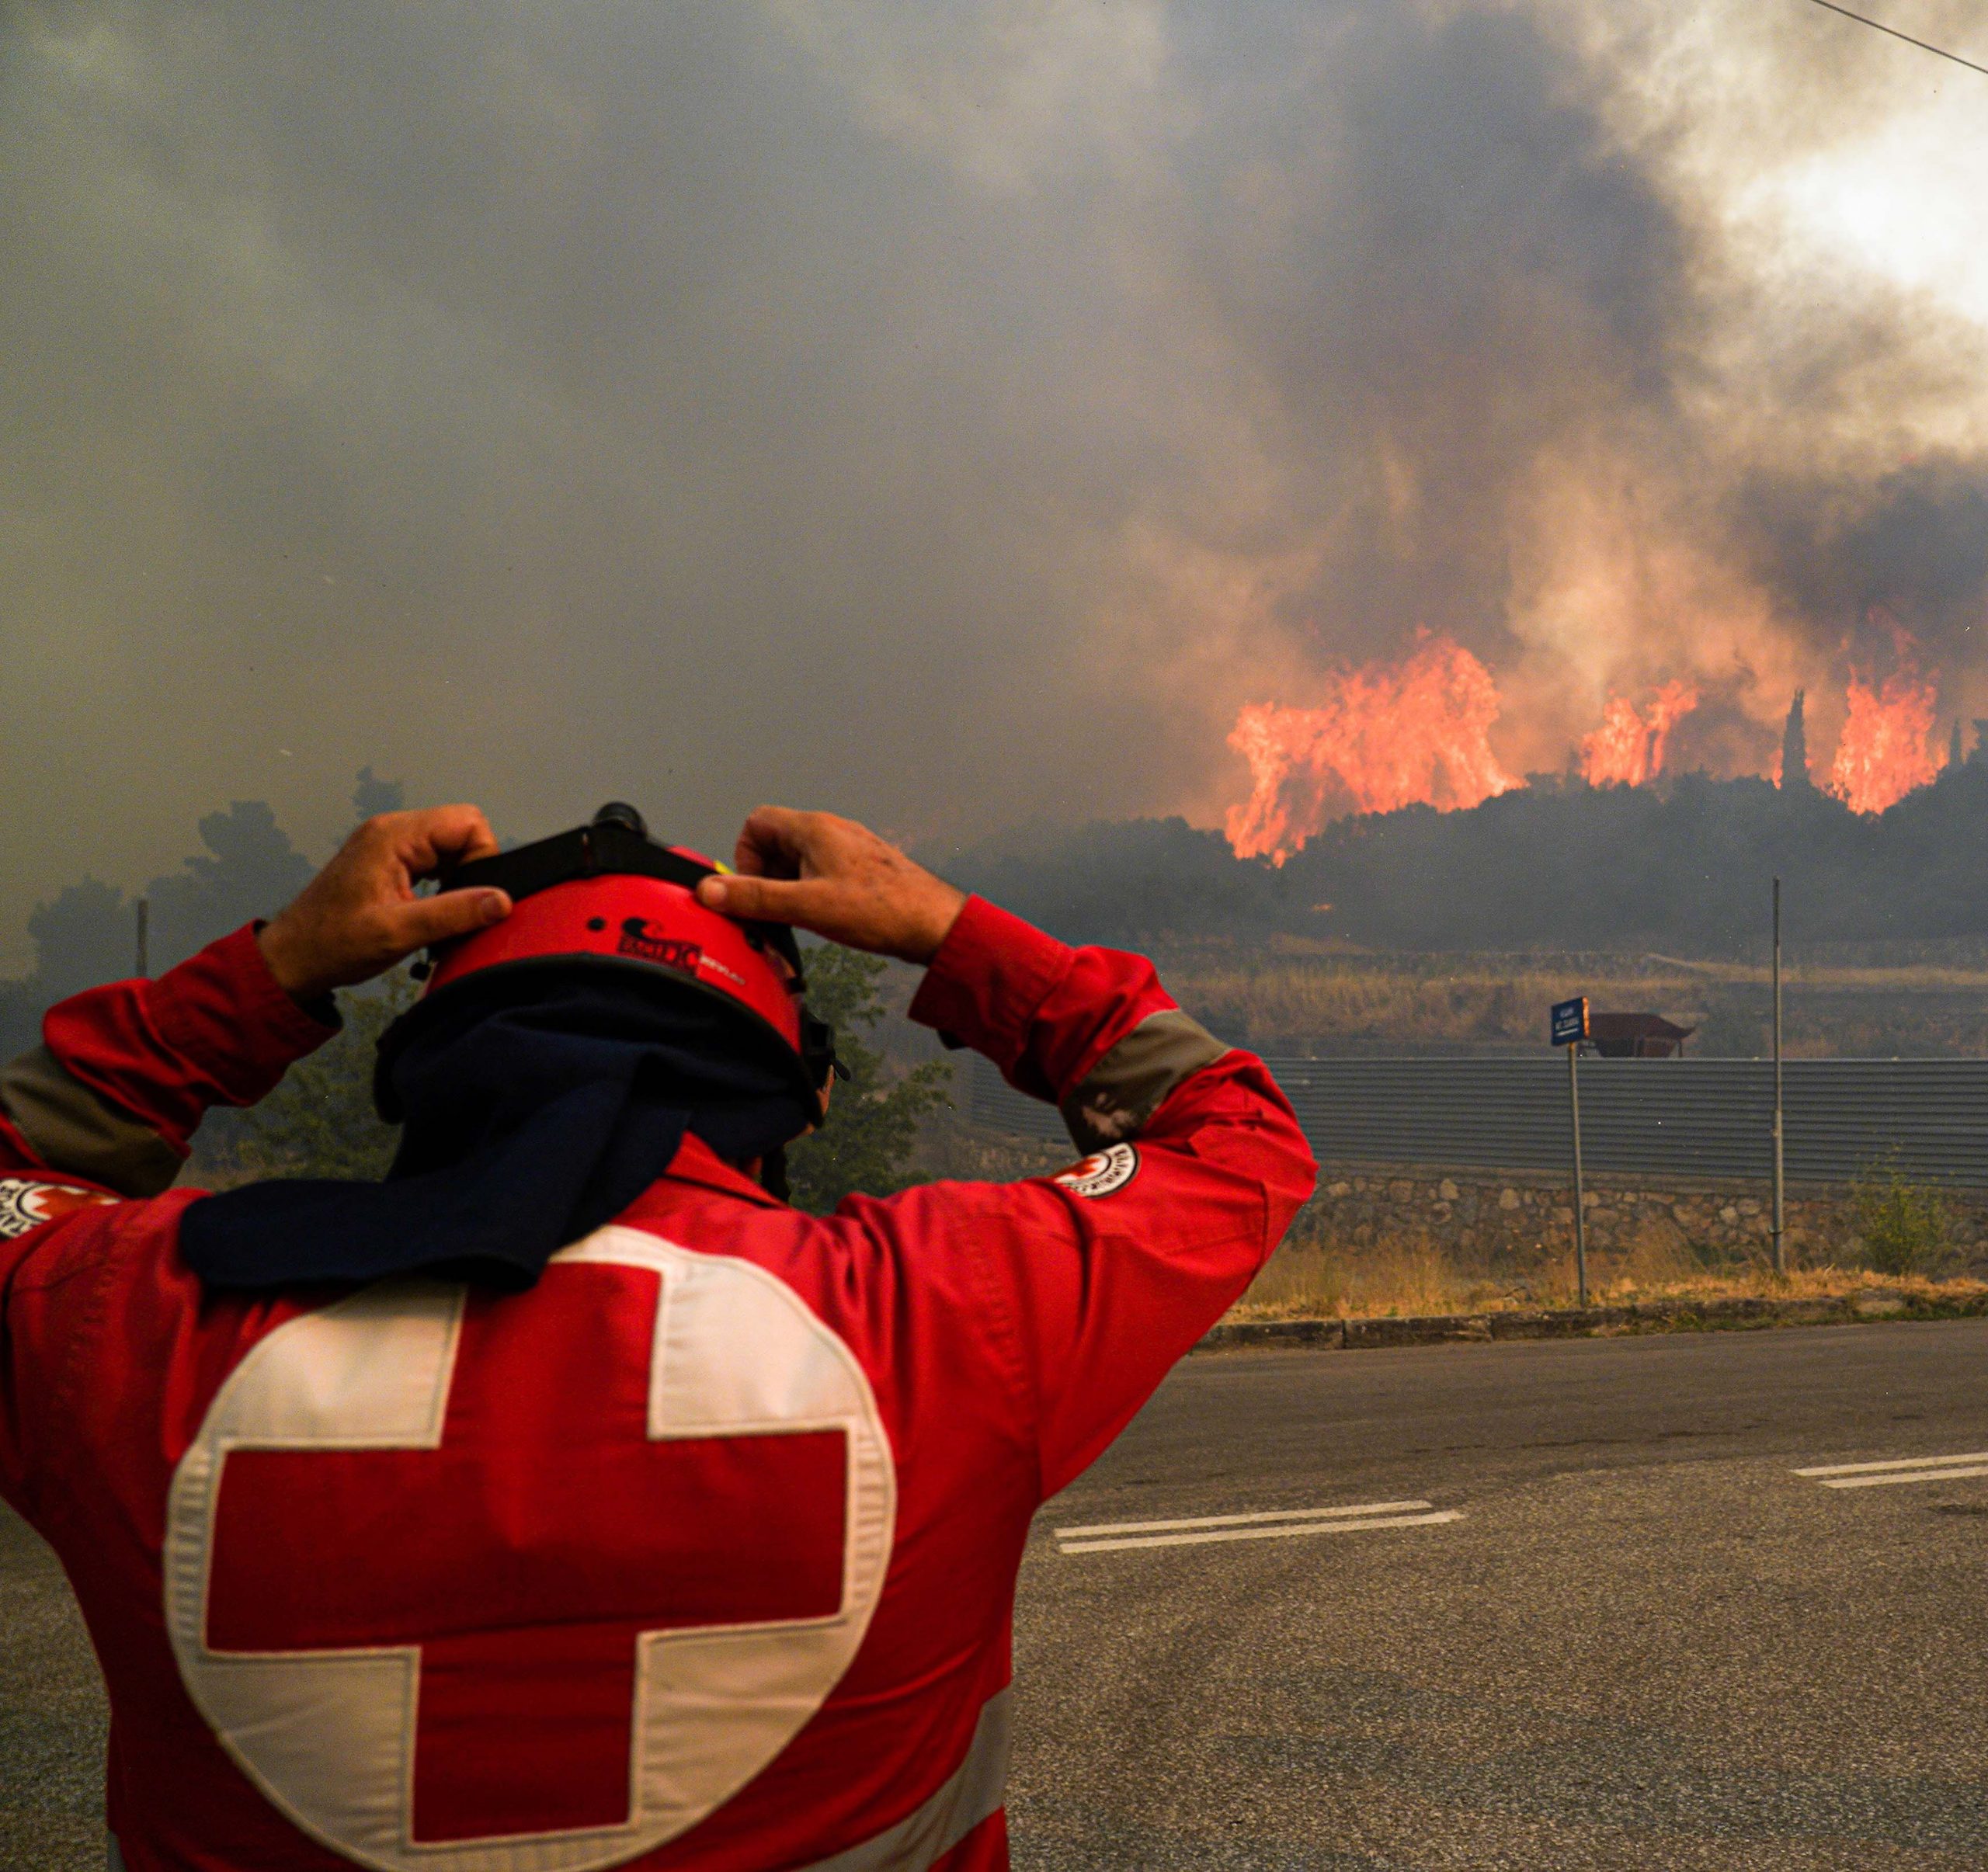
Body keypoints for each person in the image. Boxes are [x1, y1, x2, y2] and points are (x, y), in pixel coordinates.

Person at [0, 800, 1315, 1872]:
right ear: (799, 1101)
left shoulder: (133, 1320)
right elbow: (1233, 1134)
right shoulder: (946, 1310)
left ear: (428, 1068)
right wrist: (947, 930)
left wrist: (275, 966)